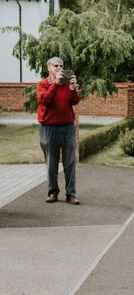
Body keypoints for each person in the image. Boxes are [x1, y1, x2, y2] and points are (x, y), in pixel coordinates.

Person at [37, 56, 81, 205]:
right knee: (51, 163)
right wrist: (55, 84)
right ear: (49, 68)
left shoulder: (67, 84)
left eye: (61, 66)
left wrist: (73, 90)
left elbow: (74, 101)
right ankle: (52, 193)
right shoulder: (42, 84)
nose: (59, 68)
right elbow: (45, 100)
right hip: (49, 128)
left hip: (68, 128)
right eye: (56, 66)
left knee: (70, 163)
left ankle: (71, 194)